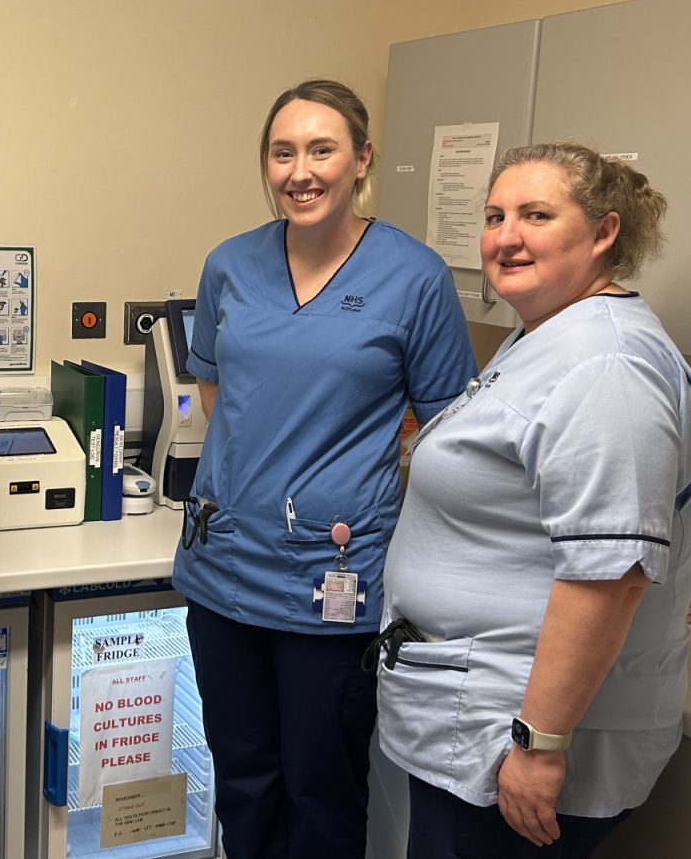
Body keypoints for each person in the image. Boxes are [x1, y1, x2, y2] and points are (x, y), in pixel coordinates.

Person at [373, 143, 691, 858]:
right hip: (473, 716)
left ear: (604, 233)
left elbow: (608, 576)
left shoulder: (609, 368)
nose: (507, 236)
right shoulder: (548, 336)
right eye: (496, 215)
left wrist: (538, 745)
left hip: (517, 737)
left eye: (536, 214)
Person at [173, 78, 476, 858]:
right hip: (224, 573)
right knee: (244, 778)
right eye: (283, 152)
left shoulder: (413, 278)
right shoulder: (229, 266)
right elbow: (217, 392)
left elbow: (445, 430)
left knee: (322, 789)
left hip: (330, 586)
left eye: (321, 149)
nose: (299, 171)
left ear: (361, 159)